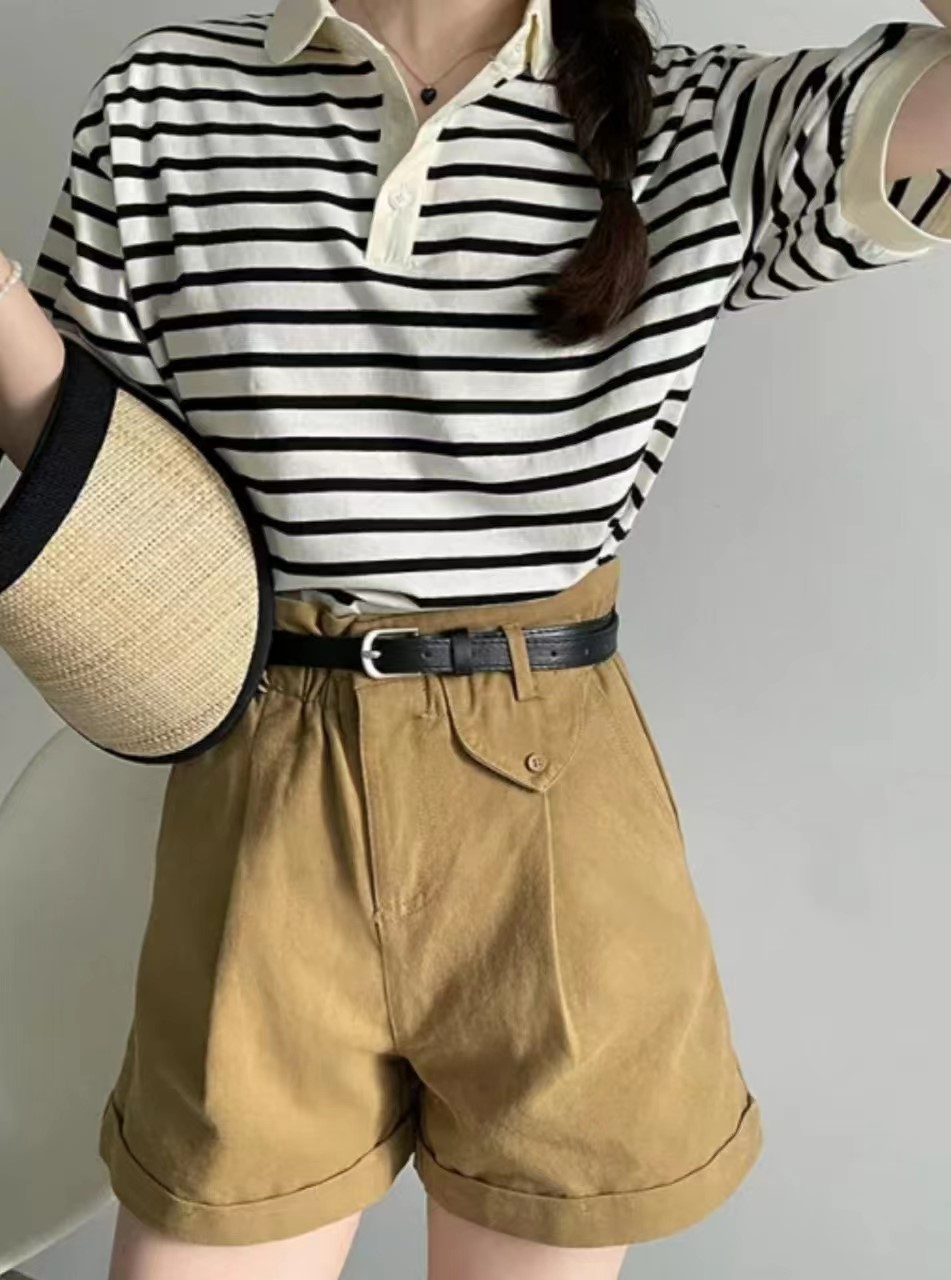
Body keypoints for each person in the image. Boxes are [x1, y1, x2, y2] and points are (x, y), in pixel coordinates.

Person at [3, 1, 951, 1276]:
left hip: (552, 819)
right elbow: (109, 470)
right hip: (261, 788)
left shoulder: (692, 117)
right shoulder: (167, 97)